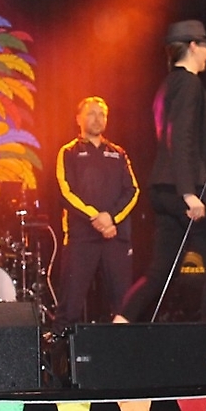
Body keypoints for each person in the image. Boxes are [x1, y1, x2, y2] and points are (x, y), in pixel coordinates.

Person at [117, 20, 206, 324]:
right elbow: (180, 138)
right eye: (205, 47)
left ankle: (118, 326)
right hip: (185, 189)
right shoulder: (189, 83)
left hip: (167, 188)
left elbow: (190, 143)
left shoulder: (168, 86)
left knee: (160, 271)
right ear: (193, 46)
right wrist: (189, 193)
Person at [54, 96, 139, 327]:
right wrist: (95, 217)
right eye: (91, 113)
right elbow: (65, 191)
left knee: (123, 305)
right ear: (78, 119)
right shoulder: (68, 152)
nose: (97, 118)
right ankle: (62, 348)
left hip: (115, 236)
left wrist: (111, 218)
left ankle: (122, 348)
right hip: (81, 238)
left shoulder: (118, 153)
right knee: (70, 305)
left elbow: (133, 190)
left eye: (102, 114)